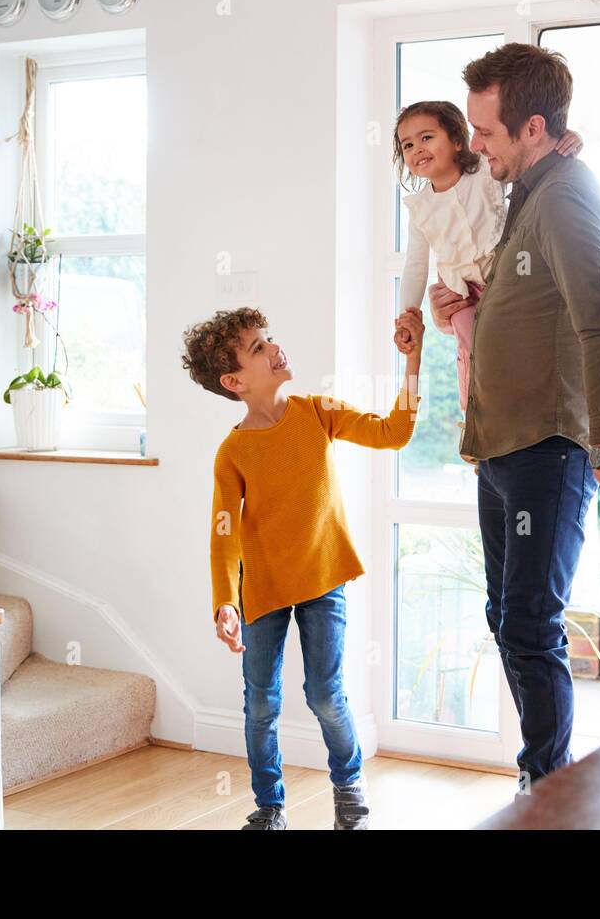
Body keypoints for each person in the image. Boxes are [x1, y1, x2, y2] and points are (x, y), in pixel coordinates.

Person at [426, 42, 600, 787]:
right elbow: (527, 303)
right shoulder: (531, 190)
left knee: (529, 628)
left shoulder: (565, 195)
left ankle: (548, 790)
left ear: (533, 128)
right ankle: (543, 779)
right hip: (501, 451)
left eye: (487, 133)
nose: (475, 147)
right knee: (509, 622)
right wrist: (467, 308)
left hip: (545, 450)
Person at [180, 305, 425, 829]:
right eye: (258, 347)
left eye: (269, 338)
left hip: (322, 581)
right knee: (261, 705)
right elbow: (223, 533)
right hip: (261, 591)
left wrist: (412, 362)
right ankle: (270, 807)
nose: (274, 347)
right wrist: (224, 598)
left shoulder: (318, 410)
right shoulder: (233, 453)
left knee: (324, 695)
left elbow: (392, 433)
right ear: (234, 380)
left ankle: (349, 788)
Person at [392, 100, 583, 417]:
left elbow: (530, 165)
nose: (417, 149)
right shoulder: (420, 207)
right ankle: (475, 418)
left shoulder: (484, 171)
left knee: (517, 345)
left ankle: (529, 403)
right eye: (407, 145)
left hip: (508, 282)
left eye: (427, 138)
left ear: (457, 140)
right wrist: (407, 314)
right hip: (464, 294)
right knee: (472, 349)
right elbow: (414, 266)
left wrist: (566, 141)